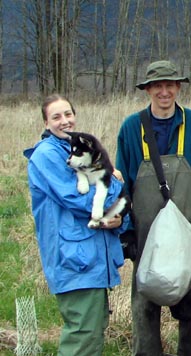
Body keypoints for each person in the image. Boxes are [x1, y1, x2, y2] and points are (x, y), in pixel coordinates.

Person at [116, 60, 191, 356]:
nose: (164, 92)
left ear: (178, 87)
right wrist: (125, 232)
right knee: (144, 301)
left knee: (190, 302)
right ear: (148, 90)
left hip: (186, 228)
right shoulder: (131, 127)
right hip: (145, 229)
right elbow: (122, 182)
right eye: (157, 86)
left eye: (169, 85)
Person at [24, 94, 129, 355]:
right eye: (56, 117)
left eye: (68, 114)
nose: (65, 121)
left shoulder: (79, 147)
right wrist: (115, 181)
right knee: (82, 335)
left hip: (90, 259)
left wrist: (117, 220)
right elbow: (79, 199)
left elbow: (103, 204)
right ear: (46, 122)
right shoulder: (47, 155)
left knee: (91, 332)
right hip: (75, 260)